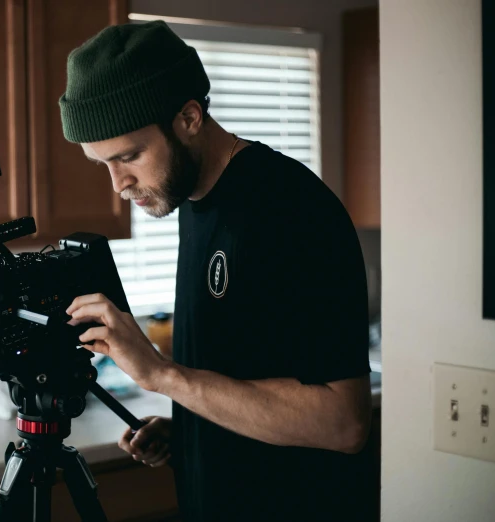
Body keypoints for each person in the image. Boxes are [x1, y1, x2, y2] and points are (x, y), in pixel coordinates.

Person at [60, 21, 374, 521]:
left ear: (188, 117)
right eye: (104, 164)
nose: (118, 184)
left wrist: (163, 375)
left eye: (130, 156)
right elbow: (245, 371)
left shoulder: (291, 209)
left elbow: (343, 424)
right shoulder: (193, 200)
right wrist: (189, 426)